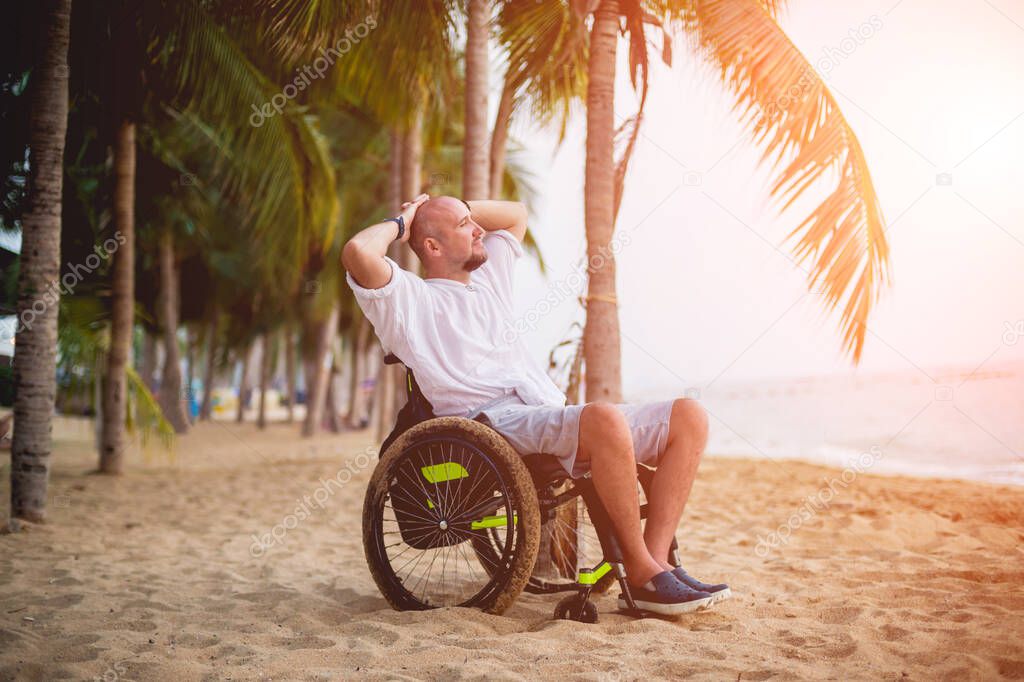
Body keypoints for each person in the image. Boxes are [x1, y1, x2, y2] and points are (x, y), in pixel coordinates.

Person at [342, 194, 730, 615]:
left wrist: (454, 206)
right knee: (603, 419)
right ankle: (640, 573)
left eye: (474, 223)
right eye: (464, 226)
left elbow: (516, 214)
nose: (478, 230)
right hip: (489, 422)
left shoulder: (488, 281)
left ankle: (654, 567)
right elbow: (358, 252)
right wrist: (407, 220)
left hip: (540, 407)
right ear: (432, 248)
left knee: (689, 416)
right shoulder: (408, 302)